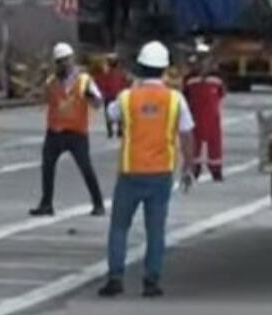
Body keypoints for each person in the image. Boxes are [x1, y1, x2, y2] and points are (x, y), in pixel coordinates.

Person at [99, 41, 194, 299]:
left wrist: (132, 88)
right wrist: (188, 166)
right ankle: (151, 281)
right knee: (156, 230)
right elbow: (186, 134)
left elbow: (110, 114)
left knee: (119, 227)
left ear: (140, 67)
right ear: (164, 69)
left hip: (131, 171)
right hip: (161, 173)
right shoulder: (175, 99)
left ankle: (115, 279)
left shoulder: (127, 97)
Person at [32, 42, 105, 217]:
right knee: (47, 167)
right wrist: (38, 89)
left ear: (72, 60)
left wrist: (91, 97)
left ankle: (98, 203)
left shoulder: (84, 80)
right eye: (59, 61)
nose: (63, 64)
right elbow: (41, 101)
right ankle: (46, 203)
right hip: (55, 132)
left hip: (76, 133)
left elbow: (98, 103)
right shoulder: (51, 81)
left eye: (65, 60)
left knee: (86, 168)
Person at [184, 45, 227, 182]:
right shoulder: (190, 78)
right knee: (194, 143)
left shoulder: (217, 77)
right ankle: (195, 168)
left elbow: (221, 93)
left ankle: (216, 170)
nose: (203, 62)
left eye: (205, 59)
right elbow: (185, 95)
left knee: (215, 143)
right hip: (195, 115)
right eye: (200, 59)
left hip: (212, 116)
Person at [93, 55, 131, 139]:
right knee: (120, 112)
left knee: (109, 113)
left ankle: (112, 130)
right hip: (116, 95)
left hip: (111, 96)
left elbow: (99, 83)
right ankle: (118, 130)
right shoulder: (120, 73)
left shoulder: (107, 73)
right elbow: (127, 83)